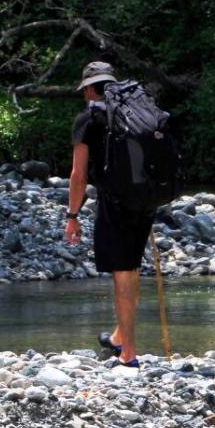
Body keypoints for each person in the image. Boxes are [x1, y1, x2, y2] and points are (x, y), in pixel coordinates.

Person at [66, 61, 156, 367]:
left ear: (90, 90)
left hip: (114, 202)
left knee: (122, 273)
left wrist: (72, 215)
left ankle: (128, 352)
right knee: (131, 270)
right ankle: (119, 336)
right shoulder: (135, 113)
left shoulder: (88, 119)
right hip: (144, 200)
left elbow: (78, 175)